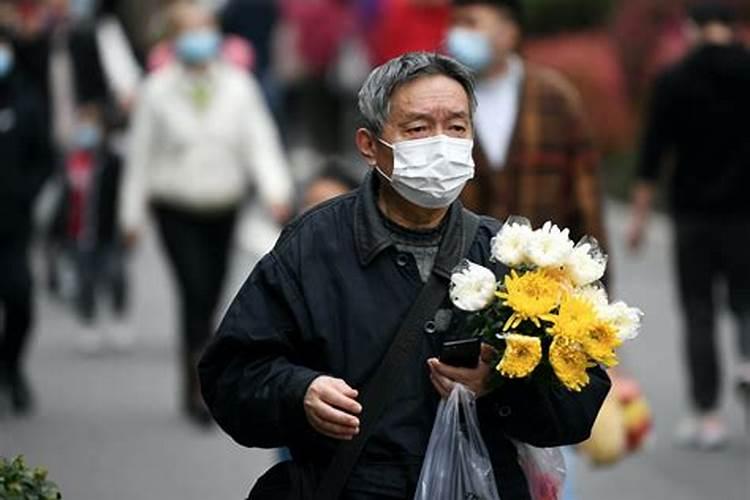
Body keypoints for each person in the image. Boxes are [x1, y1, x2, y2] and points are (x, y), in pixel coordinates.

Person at [199, 52, 610, 499]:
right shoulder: (313, 247)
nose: (441, 143)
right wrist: (300, 391)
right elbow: (230, 376)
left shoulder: (511, 255)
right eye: (417, 128)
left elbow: (578, 403)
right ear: (369, 145)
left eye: (456, 127)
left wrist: (500, 386)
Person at [119, 1, 292, 427]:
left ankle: (196, 364)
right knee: (193, 290)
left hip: (224, 202)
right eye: (189, 30)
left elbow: (260, 139)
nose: (199, 38)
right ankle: (199, 383)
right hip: (175, 204)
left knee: (213, 291)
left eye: (205, 28)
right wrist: (130, 215)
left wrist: (276, 189)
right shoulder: (156, 88)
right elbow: (139, 153)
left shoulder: (239, 85)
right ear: (174, 39)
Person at [627, 3, 750, 450]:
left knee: (698, 310)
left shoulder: (673, 80)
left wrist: (639, 219)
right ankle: (747, 362)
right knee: (746, 301)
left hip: (693, 217)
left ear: (691, 28)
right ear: (736, 28)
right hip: (745, 216)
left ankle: (708, 414)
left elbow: (652, 156)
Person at [447, 0, 608, 251]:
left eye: (471, 22)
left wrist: (595, 276)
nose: (457, 34)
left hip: (541, 273)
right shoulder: (441, 99)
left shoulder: (553, 99)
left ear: (509, 33)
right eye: (455, 23)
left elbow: (585, 196)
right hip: (461, 272)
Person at [0, 27, 53, 416]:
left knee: (19, 301)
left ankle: (12, 367)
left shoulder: (25, 98)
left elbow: (43, 156)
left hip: (13, 225)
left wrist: (26, 194)